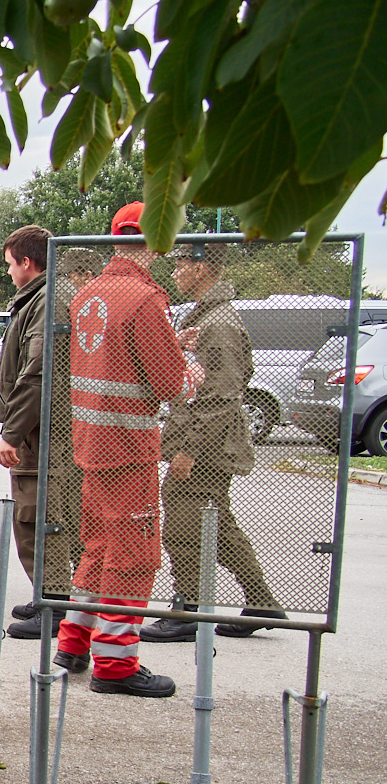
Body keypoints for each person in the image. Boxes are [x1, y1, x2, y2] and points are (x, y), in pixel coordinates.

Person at [58, 203, 201, 696]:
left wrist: (168, 344)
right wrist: (189, 370)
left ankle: (73, 642)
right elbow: (166, 381)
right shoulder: (145, 299)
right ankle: (115, 666)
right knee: (134, 554)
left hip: (91, 444)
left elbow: (119, 356)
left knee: (97, 545)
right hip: (129, 447)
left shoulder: (88, 294)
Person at [143, 241, 280, 643]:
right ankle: (260, 602)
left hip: (206, 447)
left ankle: (187, 610)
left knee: (186, 527)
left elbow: (222, 395)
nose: (175, 271)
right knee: (215, 524)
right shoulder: (209, 316)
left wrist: (190, 451)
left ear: (202, 268)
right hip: (205, 442)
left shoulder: (219, 322)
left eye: (182, 263)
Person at [0, 227, 78, 641]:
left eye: (10, 264)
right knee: (37, 514)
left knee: (38, 516)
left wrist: (13, 430)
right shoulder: (42, 298)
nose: (8, 273)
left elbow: (37, 372)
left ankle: (55, 604)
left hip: (42, 433)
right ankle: (49, 595)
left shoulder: (45, 301)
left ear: (28, 262)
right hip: (40, 429)